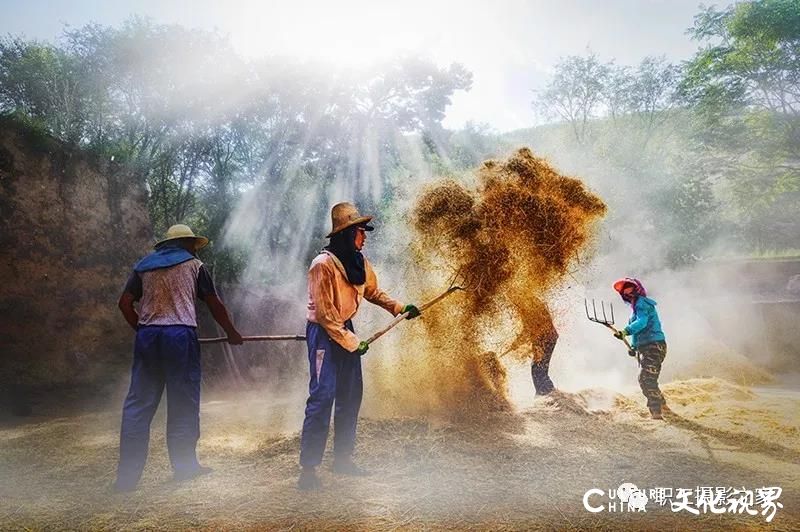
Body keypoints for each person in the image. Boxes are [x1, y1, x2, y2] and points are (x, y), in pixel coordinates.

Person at [298, 202, 419, 491]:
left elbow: (374, 292)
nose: (364, 237)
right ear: (347, 233)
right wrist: (353, 342)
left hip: (345, 330)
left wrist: (400, 307)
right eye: (360, 231)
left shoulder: (358, 261)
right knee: (322, 396)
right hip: (323, 335)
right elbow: (327, 316)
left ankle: (343, 459)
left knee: (350, 396)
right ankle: (309, 469)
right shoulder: (322, 265)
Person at [114, 224, 243, 492]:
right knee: (183, 400)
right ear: (186, 243)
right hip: (179, 336)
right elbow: (214, 303)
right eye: (193, 245)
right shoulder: (195, 265)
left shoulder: (144, 266)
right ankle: (185, 467)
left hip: (148, 337)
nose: (194, 249)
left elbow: (125, 304)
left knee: (138, 405)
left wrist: (141, 329)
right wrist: (231, 332)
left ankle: (126, 479)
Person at [612, 277, 668, 420]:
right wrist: (634, 346)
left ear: (637, 289)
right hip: (647, 346)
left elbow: (641, 323)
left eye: (630, 288)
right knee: (648, 377)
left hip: (654, 346)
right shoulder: (635, 308)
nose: (628, 292)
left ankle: (656, 412)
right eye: (625, 291)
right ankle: (662, 404)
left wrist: (625, 331)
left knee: (646, 378)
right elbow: (638, 331)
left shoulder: (642, 304)